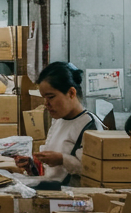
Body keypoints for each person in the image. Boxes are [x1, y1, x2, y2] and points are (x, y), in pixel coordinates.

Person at [15, 61, 100, 189]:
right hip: (51, 188)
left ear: (71, 93)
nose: (46, 104)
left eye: (51, 97)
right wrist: (33, 165)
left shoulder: (90, 126)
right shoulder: (59, 120)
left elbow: (94, 170)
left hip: (71, 194)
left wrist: (62, 159)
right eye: (44, 98)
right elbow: (53, 171)